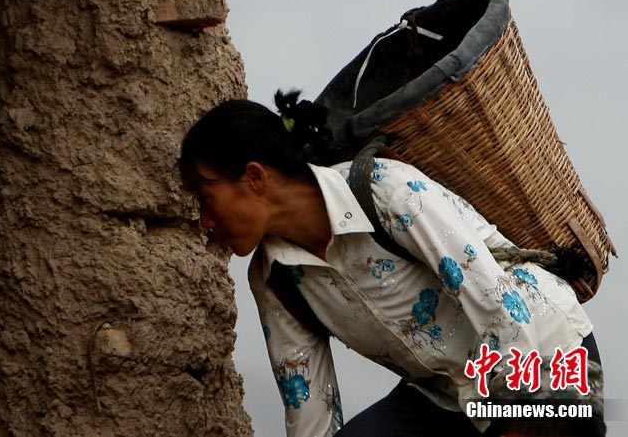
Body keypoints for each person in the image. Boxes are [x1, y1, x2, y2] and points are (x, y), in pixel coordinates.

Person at [179, 91, 605, 437]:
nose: (205, 221)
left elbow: (498, 306)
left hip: (541, 353)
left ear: (255, 177)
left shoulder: (387, 193)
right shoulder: (276, 280)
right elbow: (308, 406)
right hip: (446, 393)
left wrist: (517, 417)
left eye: (207, 197)